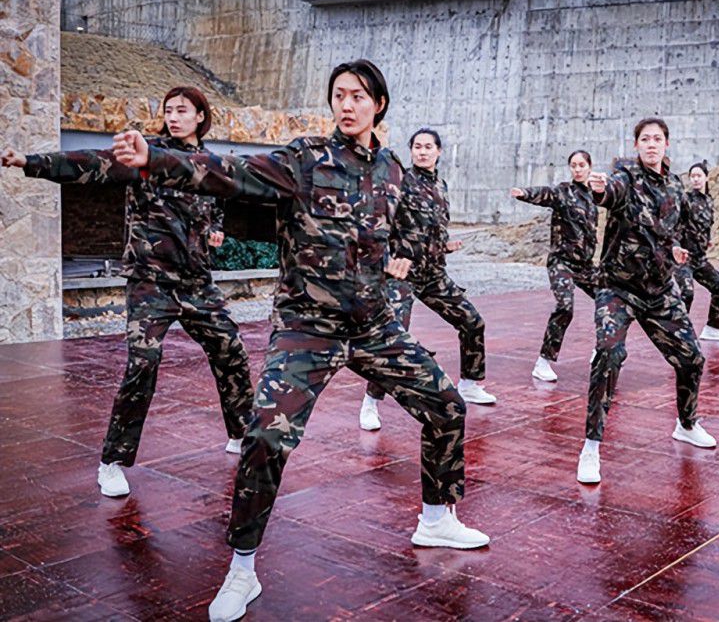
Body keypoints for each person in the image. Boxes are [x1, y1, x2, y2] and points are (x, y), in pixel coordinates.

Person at [110, 60, 488, 622]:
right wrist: (157, 159)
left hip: (373, 326)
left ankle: (436, 519)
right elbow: (227, 172)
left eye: (358, 96)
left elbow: (406, 226)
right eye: (339, 95)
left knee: (446, 407)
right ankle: (242, 570)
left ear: (378, 104)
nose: (347, 104)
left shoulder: (391, 170)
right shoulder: (305, 158)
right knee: (263, 438)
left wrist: (413, 255)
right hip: (307, 329)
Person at [2, 86, 253, 498]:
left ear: (200, 117)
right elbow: (87, 164)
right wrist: (29, 162)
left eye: (182, 110)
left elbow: (217, 207)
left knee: (231, 351)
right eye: (168, 110)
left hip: (196, 284)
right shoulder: (144, 155)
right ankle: (112, 462)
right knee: (143, 364)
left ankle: (242, 433)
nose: (173, 116)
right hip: (150, 282)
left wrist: (214, 231)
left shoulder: (210, 164)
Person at [577, 118, 717, 486]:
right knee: (608, 355)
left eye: (657, 139)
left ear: (667, 145)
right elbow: (610, 193)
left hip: (658, 290)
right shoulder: (625, 177)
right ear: (636, 145)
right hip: (618, 289)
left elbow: (665, 230)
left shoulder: (673, 184)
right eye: (645, 139)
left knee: (692, 358)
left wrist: (675, 249)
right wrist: (599, 189)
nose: (651, 144)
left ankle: (686, 423)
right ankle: (591, 446)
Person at [358, 127, 496, 432]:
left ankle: (470, 384)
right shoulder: (401, 181)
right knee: (392, 336)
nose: (422, 151)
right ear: (411, 151)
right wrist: (385, 258)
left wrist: (444, 244)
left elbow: (433, 227)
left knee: (473, 322)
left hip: (433, 274)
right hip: (403, 273)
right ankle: (371, 403)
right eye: (417, 146)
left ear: (439, 151)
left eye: (428, 147)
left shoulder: (441, 186)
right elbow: (381, 220)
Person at [510, 149, 599, 382]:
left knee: (611, 299)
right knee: (565, 307)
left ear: (589, 167)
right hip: (562, 263)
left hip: (586, 266)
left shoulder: (594, 197)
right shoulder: (563, 192)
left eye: (581, 165)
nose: (578, 169)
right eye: (574, 165)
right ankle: (543, 362)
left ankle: (602, 348)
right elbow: (545, 194)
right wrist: (524, 193)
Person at [674, 161, 719, 341]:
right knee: (687, 293)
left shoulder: (709, 201)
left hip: (700, 259)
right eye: (692, 176)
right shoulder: (685, 199)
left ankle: (712, 328)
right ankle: (678, 333)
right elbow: (674, 224)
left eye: (699, 175)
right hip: (684, 258)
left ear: (706, 177)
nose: (696, 179)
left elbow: (705, 225)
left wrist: (707, 240)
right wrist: (675, 245)